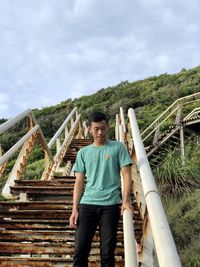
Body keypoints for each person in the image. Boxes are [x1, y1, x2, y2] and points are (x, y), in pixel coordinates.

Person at [69, 111, 133, 267]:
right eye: (96, 129)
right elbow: (79, 182)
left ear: (107, 127)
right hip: (87, 205)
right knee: (80, 252)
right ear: (90, 129)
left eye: (103, 128)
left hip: (110, 205)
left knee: (107, 254)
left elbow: (127, 176)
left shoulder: (118, 147)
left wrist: (125, 201)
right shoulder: (83, 152)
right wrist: (74, 209)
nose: (100, 132)